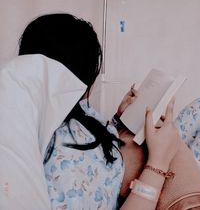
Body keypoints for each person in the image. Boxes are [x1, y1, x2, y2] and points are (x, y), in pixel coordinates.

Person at [0, 13, 180, 210]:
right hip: (132, 171)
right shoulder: (69, 156)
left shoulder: (39, 114)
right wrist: (158, 162)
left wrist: (118, 120)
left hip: (109, 146)